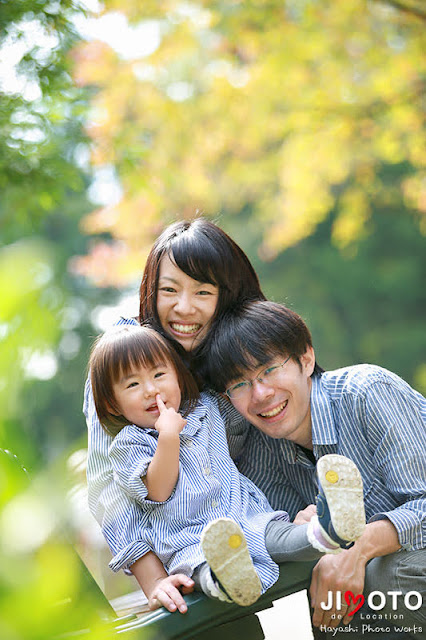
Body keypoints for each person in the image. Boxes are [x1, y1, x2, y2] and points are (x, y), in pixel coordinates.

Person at [84, 217, 287, 613]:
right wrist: (153, 579)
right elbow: (108, 485)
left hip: (256, 526)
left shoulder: (234, 348)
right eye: (169, 290)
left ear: (225, 296)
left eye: (202, 292)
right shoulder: (123, 358)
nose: (183, 308)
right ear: (150, 291)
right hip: (184, 558)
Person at [88, 324, 367, 607]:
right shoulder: (127, 444)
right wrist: (168, 437)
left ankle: (332, 530)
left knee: (282, 537)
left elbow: (241, 416)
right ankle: (229, 582)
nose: (151, 390)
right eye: (133, 384)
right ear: (112, 404)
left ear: (178, 377)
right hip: (193, 542)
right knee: (202, 570)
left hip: (247, 517)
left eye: (159, 375)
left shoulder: (206, 408)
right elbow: (158, 491)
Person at [202, 300, 426, 637]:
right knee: (326, 597)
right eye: (240, 384)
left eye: (269, 370)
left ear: (306, 359)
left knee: (387, 578)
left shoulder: (366, 392)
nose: (261, 394)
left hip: (405, 570)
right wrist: (301, 529)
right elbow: (275, 538)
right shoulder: (261, 453)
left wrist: (360, 547)